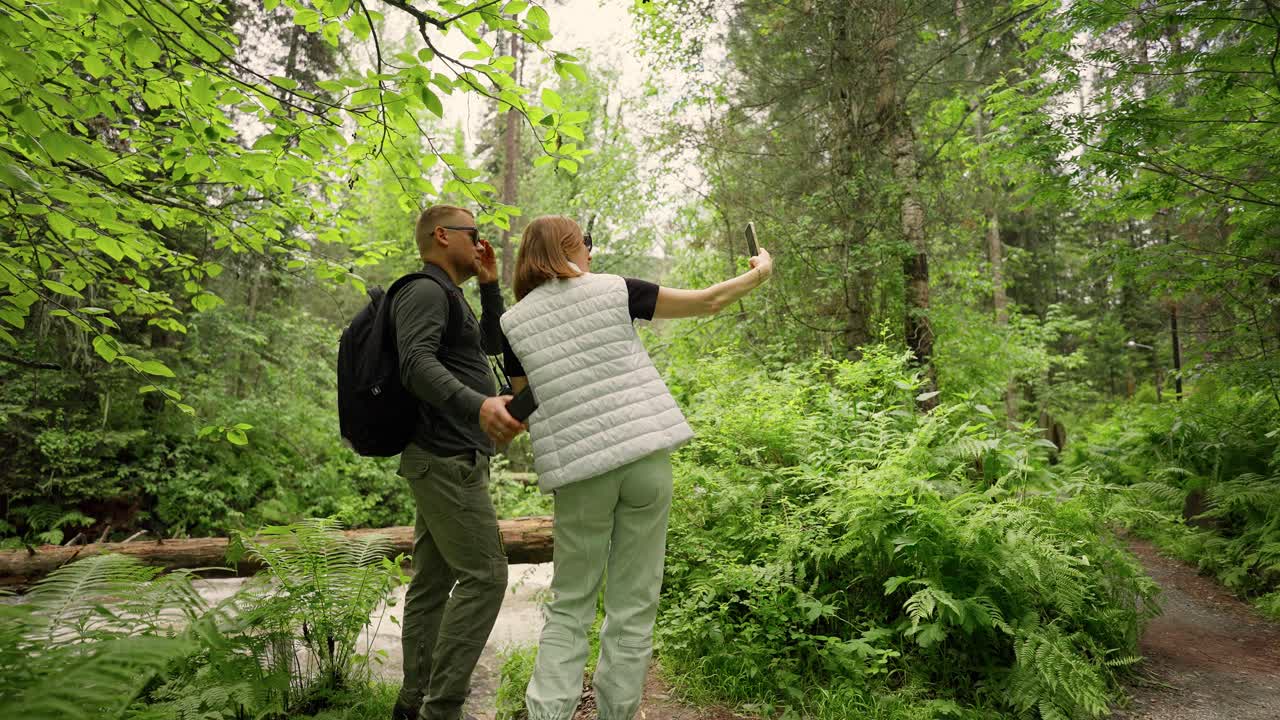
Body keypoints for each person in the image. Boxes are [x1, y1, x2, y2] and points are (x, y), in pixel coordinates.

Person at [499, 216, 773, 720]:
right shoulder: (615, 291)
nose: (591, 253)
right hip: (644, 456)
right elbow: (709, 300)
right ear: (568, 248)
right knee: (633, 606)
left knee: (570, 606)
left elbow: (525, 403)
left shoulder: (512, 324)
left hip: (580, 473)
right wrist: (758, 272)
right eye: (586, 244)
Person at [391, 205, 526, 720]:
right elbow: (414, 364)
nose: (481, 243)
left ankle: (412, 705)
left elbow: (493, 343)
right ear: (442, 236)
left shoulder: (451, 296)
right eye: (475, 235)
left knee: (430, 584)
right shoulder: (424, 291)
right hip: (445, 457)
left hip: (448, 458)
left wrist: (489, 285)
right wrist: (480, 403)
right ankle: (440, 709)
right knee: (487, 576)